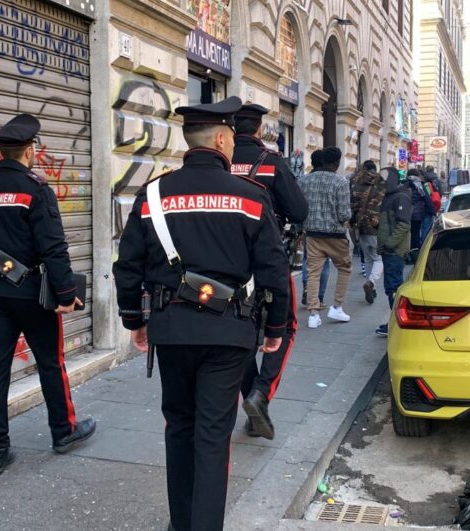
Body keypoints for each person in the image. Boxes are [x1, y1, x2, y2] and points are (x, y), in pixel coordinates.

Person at [113, 96, 290, 531]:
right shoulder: (251, 196)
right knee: (212, 435)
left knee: (179, 427)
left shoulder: (153, 194)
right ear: (223, 140)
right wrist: (276, 328)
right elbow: (273, 269)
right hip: (229, 334)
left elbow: (128, 264)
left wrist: (134, 320)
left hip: (172, 330)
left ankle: (181, 523)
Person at [0, 114, 96, 475]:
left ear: (1, 152)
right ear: (29, 150)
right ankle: (63, 431)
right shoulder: (35, 190)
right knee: (50, 362)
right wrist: (66, 293)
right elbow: (53, 247)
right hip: (33, 295)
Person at [231, 103, 308, 440]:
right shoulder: (271, 162)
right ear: (260, 128)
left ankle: (253, 399)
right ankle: (261, 394)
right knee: (285, 326)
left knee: (242, 330)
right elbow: (299, 211)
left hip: (227, 262)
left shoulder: (222, 160)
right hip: (267, 257)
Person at [298, 147, 353, 329]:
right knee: (344, 268)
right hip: (335, 235)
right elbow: (344, 214)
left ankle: (313, 314)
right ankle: (337, 306)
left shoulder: (305, 180)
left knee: (313, 273)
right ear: (337, 163)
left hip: (312, 234)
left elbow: (300, 207)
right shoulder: (340, 182)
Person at [375, 167, 412, 336]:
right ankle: (395, 322)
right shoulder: (390, 196)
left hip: (394, 251)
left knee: (394, 287)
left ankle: (397, 324)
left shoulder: (399, 197)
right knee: (392, 287)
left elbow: (403, 224)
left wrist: (389, 244)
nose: (381, 183)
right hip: (389, 250)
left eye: (384, 180)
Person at [350, 160, 386, 304]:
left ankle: (371, 286)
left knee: (368, 258)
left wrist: (352, 222)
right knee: (378, 258)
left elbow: (352, 205)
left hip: (361, 225)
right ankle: (371, 282)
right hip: (376, 225)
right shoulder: (382, 182)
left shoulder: (356, 181)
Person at [300, 150, 331, 307]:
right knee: (324, 262)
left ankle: (307, 288)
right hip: (328, 230)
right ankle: (319, 297)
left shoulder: (303, 181)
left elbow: (297, 205)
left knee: (308, 260)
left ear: (312, 163)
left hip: (308, 228)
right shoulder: (333, 181)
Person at [407, 168, 435, 257]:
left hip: (406, 213)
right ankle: (414, 251)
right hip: (417, 214)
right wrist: (433, 211)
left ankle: (408, 250)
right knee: (416, 232)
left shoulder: (405, 184)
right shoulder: (419, 185)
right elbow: (427, 199)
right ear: (417, 175)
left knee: (408, 232)